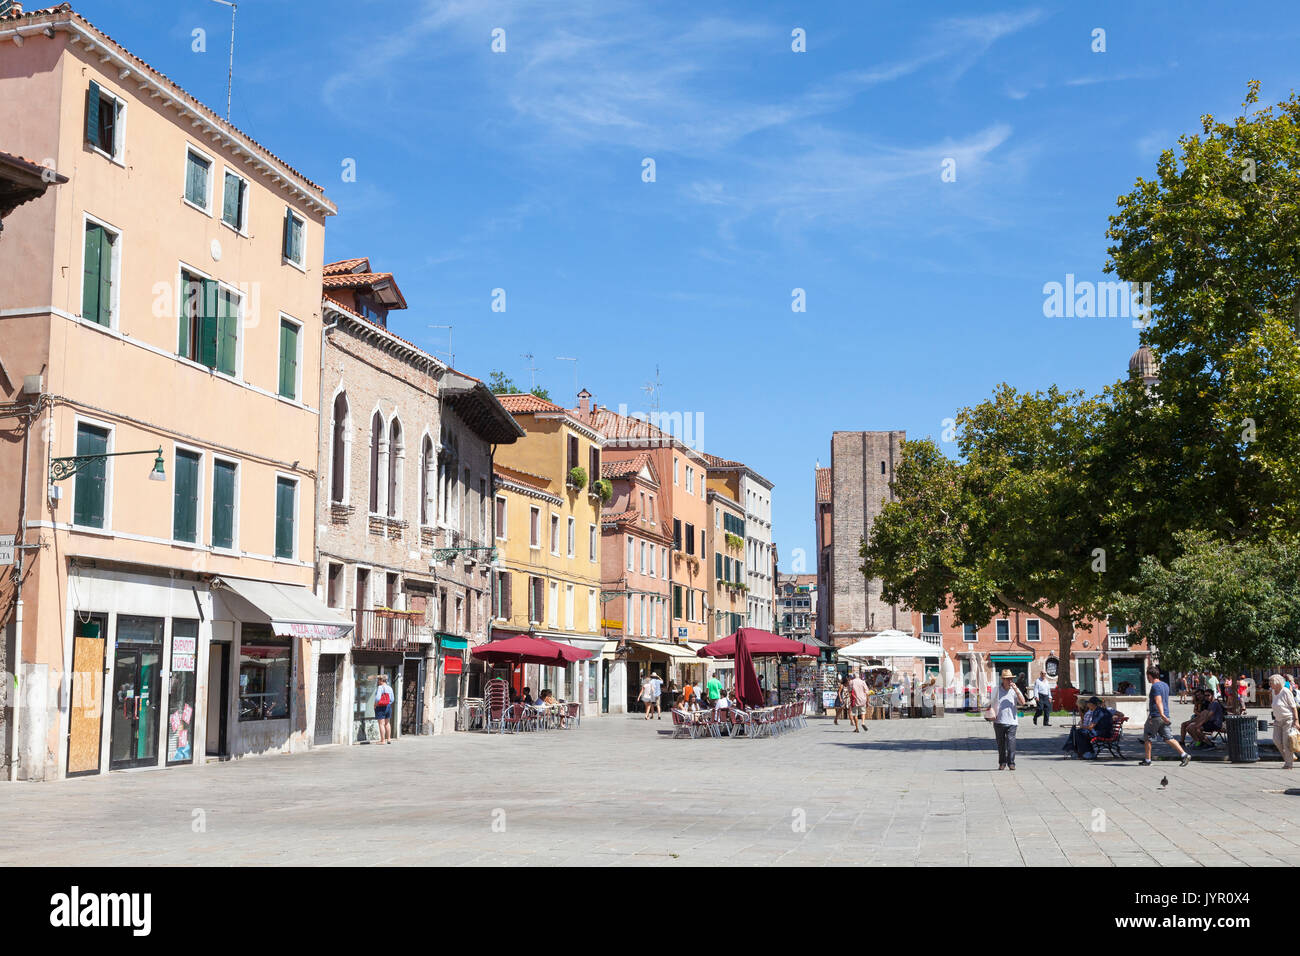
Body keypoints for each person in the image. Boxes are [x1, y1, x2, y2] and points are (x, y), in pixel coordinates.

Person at [1141, 666, 1190, 767]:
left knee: (1148, 737)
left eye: (1147, 676)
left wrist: (1161, 714)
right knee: (1168, 738)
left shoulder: (1155, 686)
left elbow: (1158, 700)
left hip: (1156, 716)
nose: (1147, 678)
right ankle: (1184, 755)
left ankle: (1147, 760)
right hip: (1165, 716)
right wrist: (1164, 715)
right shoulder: (1165, 685)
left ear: (1149, 676)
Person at [993, 669, 1026, 770]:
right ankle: (1002, 762)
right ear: (1002, 679)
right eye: (1007, 679)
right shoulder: (996, 690)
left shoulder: (1015, 690)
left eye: (1011, 679)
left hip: (1012, 721)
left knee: (1011, 743)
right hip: (999, 721)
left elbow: (1023, 702)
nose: (1009, 681)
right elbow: (991, 703)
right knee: (1001, 744)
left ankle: (1011, 762)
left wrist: (1016, 690)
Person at [1270, 674, 1298, 770]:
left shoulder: (1285, 691)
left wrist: (1296, 721)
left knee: (1286, 742)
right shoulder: (1273, 692)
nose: (1270, 684)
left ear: (1277, 682)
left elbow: (1293, 707)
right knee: (1276, 740)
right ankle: (1290, 756)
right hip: (1278, 720)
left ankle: (1288, 764)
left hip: (1288, 720)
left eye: (1271, 682)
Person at [374, 673, 394, 745]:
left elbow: (377, 698)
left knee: (381, 724)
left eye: (378, 680)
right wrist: (387, 703)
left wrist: (375, 704)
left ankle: (382, 740)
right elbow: (392, 699)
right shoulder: (390, 688)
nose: (378, 681)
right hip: (388, 706)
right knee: (387, 723)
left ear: (381, 680)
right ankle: (388, 739)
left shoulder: (380, 687)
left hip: (381, 706)